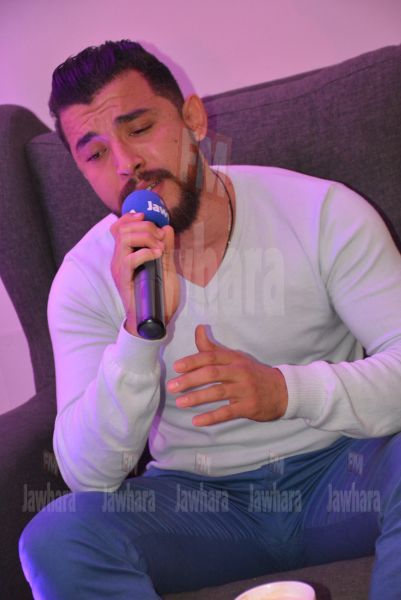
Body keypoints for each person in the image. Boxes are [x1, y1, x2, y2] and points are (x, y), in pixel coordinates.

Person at [19, 40, 401, 599]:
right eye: (96, 154)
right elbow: (89, 474)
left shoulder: (322, 213)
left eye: (140, 128)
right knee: (56, 539)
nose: (126, 164)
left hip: (342, 475)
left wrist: (284, 392)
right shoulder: (83, 280)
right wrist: (136, 336)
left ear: (193, 119)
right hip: (199, 505)